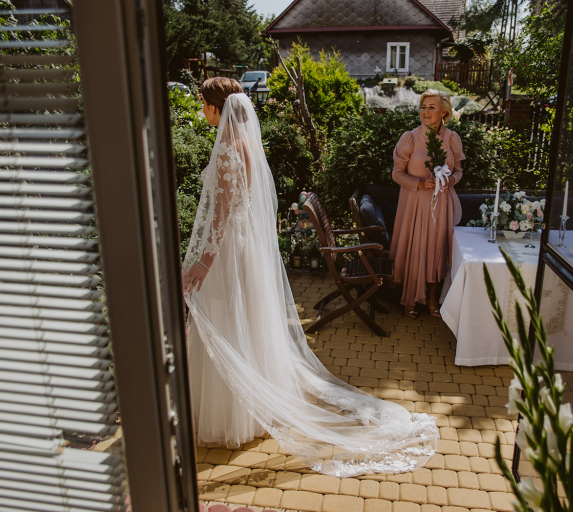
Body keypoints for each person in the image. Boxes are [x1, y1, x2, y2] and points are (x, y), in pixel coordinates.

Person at [181, 77, 439, 477]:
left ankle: (229, 415)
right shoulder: (247, 144)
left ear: (217, 107)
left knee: (228, 319)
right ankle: (247, 410)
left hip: (228, 249)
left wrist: (204, 260)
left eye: (203, 103)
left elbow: (221, 214)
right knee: (243, 320)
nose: (202, 110)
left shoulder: (230, 149)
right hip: (244, 246)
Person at [390, 90, 465, 319]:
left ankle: (433, 297)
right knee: (417, 248)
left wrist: (451, 180)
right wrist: (420, 183)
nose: (425, 111)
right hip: (415, 203)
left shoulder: (451, 138)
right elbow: (396, 173)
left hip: (442, 204)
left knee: (437, 250)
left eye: (432, 107)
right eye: (423, 107)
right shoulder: (410, 138)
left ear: (443, 112)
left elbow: (459, 171)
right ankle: (410, 298)